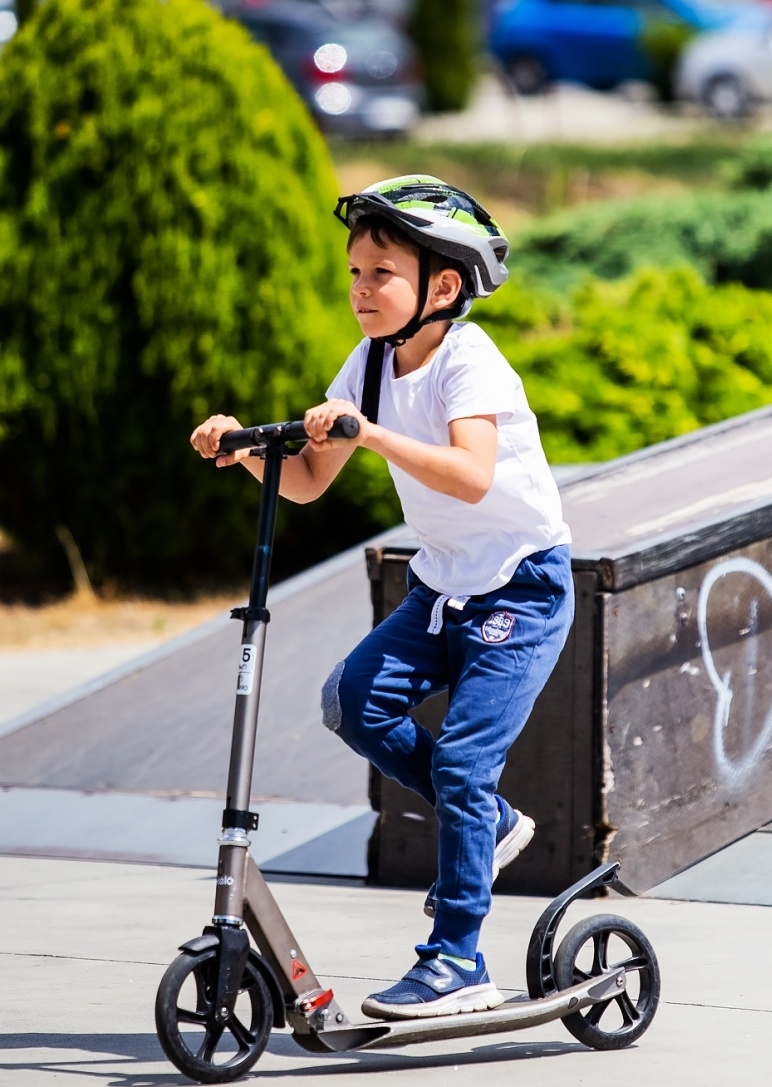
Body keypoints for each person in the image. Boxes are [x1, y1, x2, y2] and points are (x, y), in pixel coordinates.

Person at [190, 175, 574, 1021]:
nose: (362, 290)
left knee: (467, 761)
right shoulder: (365, 365)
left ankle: (457, 959)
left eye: (382, 273)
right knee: (352, 701)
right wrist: (244, 448)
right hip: (441, 587)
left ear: (442, 287)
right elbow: (306, 481)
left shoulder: (470, 361)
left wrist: (372, 433)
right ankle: (492, 822)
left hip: (522, 590)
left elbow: (472, 476)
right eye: (355, 273)